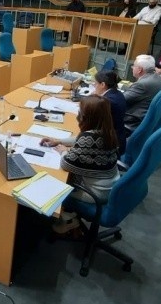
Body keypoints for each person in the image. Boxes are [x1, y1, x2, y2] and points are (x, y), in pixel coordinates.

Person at [39, 96, 119, 235]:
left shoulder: (88, 139)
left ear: (86, 117)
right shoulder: (107, 130)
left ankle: (68, 219)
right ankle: (69, 216)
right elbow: (79, 139)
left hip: (94, 193)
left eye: (80, 112)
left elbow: (66, 164)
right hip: (110, 185)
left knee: (51, 182)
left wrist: (63, 151)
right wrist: (57, 141)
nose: (78, 115)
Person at [123, 54, 161, 133]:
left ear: (140, 70)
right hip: (144, 118)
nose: (132, 68)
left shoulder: (142, 84)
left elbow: (120, 100)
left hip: (132, 121)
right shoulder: (156, 76)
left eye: (133, 66)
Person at [92, 70, 127, 158]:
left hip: (109, 146)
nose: (94, 86)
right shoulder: (117, 93)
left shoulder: (107, 101)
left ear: (103, 85)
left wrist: (93, 97)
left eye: (95, 83)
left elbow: (89, 114)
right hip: (117, 137)